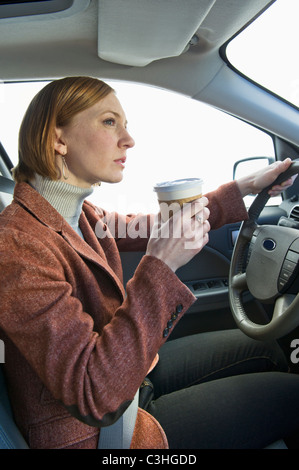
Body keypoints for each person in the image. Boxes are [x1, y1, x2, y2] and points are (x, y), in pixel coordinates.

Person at [0, 76, 299, 449]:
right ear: (58, 140)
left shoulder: (81, 214)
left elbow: (155, 226)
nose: (129, 139)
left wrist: (243, 188)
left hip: (133, 379)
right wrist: (160, 264)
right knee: (292, 395)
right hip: (101, 435)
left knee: (266, 349)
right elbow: (93, 393)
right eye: (110, 122)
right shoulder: (17, 247)